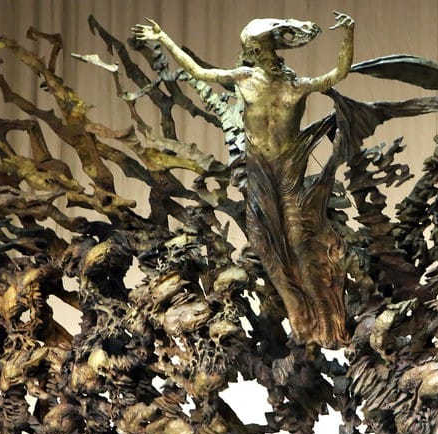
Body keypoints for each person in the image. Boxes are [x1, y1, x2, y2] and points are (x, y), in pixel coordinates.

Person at [133, 12, 355, 348]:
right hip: (258, 169)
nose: (259, 53)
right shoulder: (243, 78)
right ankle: (302, 322)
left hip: (288, 169)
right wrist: (163, 39)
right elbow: (199, 72)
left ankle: (328, 322)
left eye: (262, 46)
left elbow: (338, 74)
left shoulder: (295, 84)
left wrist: (349, 34)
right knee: (262, 240)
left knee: (300, 240)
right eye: (256, 48)